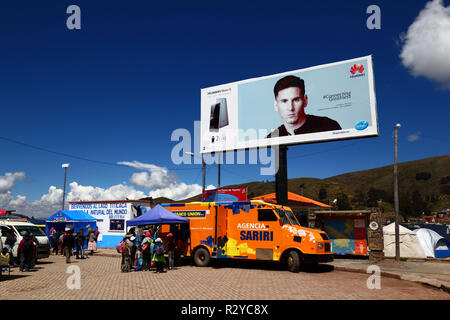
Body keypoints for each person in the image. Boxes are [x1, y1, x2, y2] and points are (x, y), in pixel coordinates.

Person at [267, 75, 341, 138]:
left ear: (305, 100)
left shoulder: (329, 126)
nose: (290, 108)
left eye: (296, 100)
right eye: (284, 101)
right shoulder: (270, 139)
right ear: (276, 105)